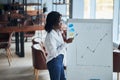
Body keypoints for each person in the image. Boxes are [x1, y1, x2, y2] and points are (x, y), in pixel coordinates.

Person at [44, 11, 73, 80]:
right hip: (54, 62)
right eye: (59, 21)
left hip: (59, 60)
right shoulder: (50, 36)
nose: (61, 23)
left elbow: (60, 46)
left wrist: (64, 39)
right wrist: (66, 43)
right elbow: (53, 53)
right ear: (53, 24)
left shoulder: (58, 32)